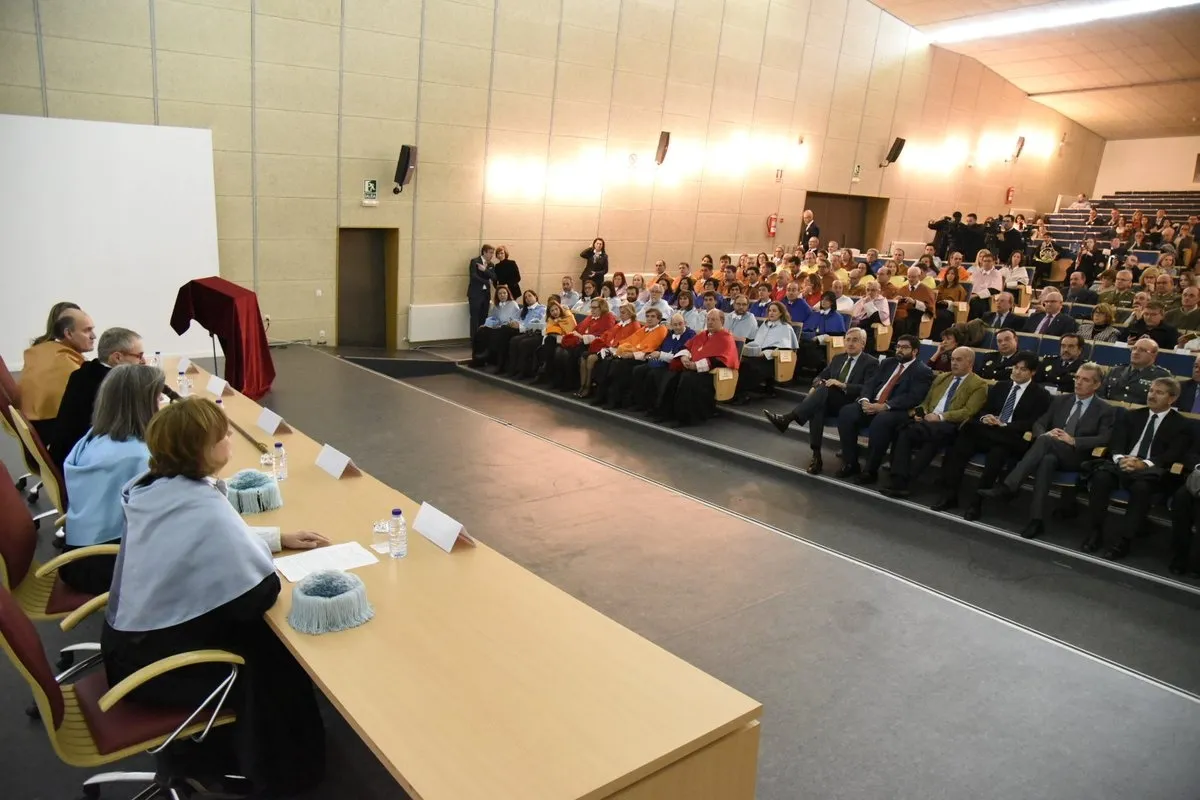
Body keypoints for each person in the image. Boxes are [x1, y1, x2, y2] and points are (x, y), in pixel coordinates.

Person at [101, 398, 329, 797]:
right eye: (222, 435)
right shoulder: (200, 504)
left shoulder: (156, 489)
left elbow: (206, 542)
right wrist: (263, 561)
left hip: (130, 646)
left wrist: (277, 538)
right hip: (158, 671)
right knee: (272, 656)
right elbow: (256, 595)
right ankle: (281, 776)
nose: (229, 439)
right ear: (198, 449)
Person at [978, 364, 1115, 539]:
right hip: (1051, 449)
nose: (1078, 383)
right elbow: (1039, 423)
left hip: (1077, 456)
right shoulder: (1060, 400)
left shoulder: (1105, 409)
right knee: (1046, 461)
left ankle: (1009, 485)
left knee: (1045, 442)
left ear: (1096, 385)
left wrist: (1073, 440)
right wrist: (1046, 434)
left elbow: (1105, 438)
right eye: (1077, 378)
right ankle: (1036, 520)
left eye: (1085, 380)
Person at [59, 364, 162, 595]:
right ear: (142, 405)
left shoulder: (94, 437)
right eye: (158, 398)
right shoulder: (136, 455)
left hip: (78, 550)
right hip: (100, 561)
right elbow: (159, 515)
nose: (161, 404)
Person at [1082, 378, 1191, 561]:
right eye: (1151, 390)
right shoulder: (1132, 416)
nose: (1152, 395)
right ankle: (1096, 531)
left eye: (1159, 392)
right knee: (1101, 478)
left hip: (1150, 471)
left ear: (1172, 399)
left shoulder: (1181, 425)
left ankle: (1125, 540)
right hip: (1122, 465)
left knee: (1141, 489)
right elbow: (1117, 442)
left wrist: (1144, 464)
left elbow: (1173, 454)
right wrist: (1120, 459)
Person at [931, 352, 1051, 517]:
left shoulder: (1041, 395)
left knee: (998, 453)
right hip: (989, 431)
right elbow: (983, 409)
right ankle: (950, 495)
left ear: (1032, 372)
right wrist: (986, 417)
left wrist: (1004, 424)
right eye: (1015, 367)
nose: (1017, 372)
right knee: (963, 440)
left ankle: (976, 503)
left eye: (1022, 370)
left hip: (1011, 436)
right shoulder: (1001, 386)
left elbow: (1033, 422)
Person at [764, 327, 878, 474]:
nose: (850, 343)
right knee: (818, 406)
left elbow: (868, 388)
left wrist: (842, 385)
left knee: (821, 395)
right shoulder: (838, 358)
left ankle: (788, 418)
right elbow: (819, 377)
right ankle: (816, 456)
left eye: (855, 340)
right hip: (830, 399)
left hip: (852, 402)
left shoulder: (871, 362)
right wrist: (817, 384)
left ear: (863, 343)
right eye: (848, 340)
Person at [880, 346, 988, 498]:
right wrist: (921, 412)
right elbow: (926, 401)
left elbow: (968, 411)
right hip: (928, 422)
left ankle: (903, 482)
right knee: (904, 431)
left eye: (959, 360)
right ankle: (900, 479)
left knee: (929, 436)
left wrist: (940, 417)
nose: (954, 363)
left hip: (951, 425)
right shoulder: (942, 378)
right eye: (952, 359)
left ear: (970, 362)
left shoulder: (979, 385)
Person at [835, 335, 933, 484]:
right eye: (898, 346)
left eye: (904, 347)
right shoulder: (888, 363)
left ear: (915, 351)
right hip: (872, 403)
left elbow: (914, 397)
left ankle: (870, 470)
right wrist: (865, 400)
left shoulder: (922, 370)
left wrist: (885, 406)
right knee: (846, 412)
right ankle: (851, 463)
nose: (899, 350)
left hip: (896, 410)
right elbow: (870, 383)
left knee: (881, 421)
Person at [53, 326, 145, 468]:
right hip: (84, 464)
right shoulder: (114, 387)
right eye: (139, 355)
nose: (143, 361)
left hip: (64, 452)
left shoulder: (83, 372)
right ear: (117, 357)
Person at [19, 307, 96, 446]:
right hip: (60, 443)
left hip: (42, 436)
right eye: (87, 330)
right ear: (68, 333)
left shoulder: (41, 352)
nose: (93, 336)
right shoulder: (65, 365)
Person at [657, 309, 741, 427]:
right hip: (692, 369)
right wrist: (684, 357)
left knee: (687, 379)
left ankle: (686, 418)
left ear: (721, 321)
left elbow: (721, 360)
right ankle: (667, 413)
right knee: (672, 375)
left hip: (710, 374)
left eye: (713, 320)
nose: (710, 322)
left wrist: (696, 366)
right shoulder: (703, 334)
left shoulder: (726, 338)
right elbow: (687, 347)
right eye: (708, 319)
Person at [590, 308, 668, 408]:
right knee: (607, 362)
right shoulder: (644, 329)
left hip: (643, 358)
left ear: (658, 319)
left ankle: (614, 400)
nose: (649, 319)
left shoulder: (660, 330)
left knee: (619, 365)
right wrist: (621, 351)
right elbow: (628, 342)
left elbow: (650, 349)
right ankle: (601, 395)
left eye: (653, 317)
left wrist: (631, 354)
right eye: (647, 316)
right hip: (631, 355)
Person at [630, 313, 695, 414]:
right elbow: (661, 347)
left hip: (676, 365)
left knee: (654, 374)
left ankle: (658, 409)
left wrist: (660, 355)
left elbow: (680, 355)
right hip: (662, 362)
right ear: (671, 325)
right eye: (675, 324)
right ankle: (641, 403)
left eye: (680, 324)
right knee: (638, 370)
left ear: (685, 323)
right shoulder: (669, 334)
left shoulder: (690, 335)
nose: (677, 327)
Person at [734, 302, 799, 402]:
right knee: (741, 364)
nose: (771, 313)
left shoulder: (786, 327)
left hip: (772, 360)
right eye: (769, 311)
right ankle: (736, 393)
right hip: (758, 354)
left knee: (749, 368)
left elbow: (785, 349)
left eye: (774, 311)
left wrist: (766, 353)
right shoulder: (765, 325)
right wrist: (746, 347)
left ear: (781, 313)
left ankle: (741, 395)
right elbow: (757, 341)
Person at [578, 302, 641, 399]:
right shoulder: (620, 324)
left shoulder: (635, 325)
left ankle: (588, 387)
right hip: (608, 348)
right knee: (584, 356)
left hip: (618, 351)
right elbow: (607, 334)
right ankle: (583, 386)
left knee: (591, 358)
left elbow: (632, 341)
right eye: (620, 312)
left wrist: (613, 347)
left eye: (623, 313)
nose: (621, 315)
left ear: (630, 313)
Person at [550, 298, 614, 391]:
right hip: (580, 341)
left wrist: (582, 336)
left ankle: (571, 383)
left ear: (602, 308)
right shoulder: (590, 317)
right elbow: (578, 328)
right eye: (591, 307)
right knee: (559, 351)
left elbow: (604, 335)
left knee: (570, 354)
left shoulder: (607, 318)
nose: (592, 310)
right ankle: (559, 380)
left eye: (595, 308)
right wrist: (576, 335)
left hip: (592, 345)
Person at [1101, 338, 1170, 404]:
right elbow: (1100, 394)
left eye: (1142, 350)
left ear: (1153, 355)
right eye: (1134, 348)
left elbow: (1161, 403)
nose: (1135, 352)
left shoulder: (1162, 376)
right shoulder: (1116, 370)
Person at [492, 291, 546, 375]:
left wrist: (520, 326)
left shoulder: (542, 309)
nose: (527, 298)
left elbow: (536, 323)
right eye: (525, 297)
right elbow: (513, 318)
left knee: (514, 340)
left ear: (535, 297)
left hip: (530, 331)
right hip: (519, 329)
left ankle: (515, 369)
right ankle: (502, 365)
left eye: (530, 296)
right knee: (504, 329)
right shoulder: (524, 310)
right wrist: (513, 322)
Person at [518, 300, 574, 380]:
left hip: (567, 340)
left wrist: (558, 325)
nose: (555, 312)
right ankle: (545, 374)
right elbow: (548, 331)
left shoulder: (568, 317)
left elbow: (570, 330)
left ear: (560, 308)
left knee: (549, 344)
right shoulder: (550, 320)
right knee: (546, 343)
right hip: (552, 341)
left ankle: (543, 373)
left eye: (556, 309)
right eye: (552, 311)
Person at [470, 285, 520, 367]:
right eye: (500, 294)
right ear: (497, 295)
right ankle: (478, 358)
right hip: (497, 326)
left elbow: (517, 317)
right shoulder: (496, 306)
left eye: (504, 293)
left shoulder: (513, 304)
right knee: (481, 332)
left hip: (507, 328)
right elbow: (492, 318)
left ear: (508, 294)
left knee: (496, 334)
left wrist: (505, 324)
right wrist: (486, 325)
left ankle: (489, 352)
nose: (502, 295)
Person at [892, 267, 935, 340]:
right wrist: (895, 300)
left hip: (917, 313)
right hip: (901, 312)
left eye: (913, 277)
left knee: (903, 322)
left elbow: (929, 308)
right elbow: (893, 303)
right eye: (909, 277)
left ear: (919, 276)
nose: (911, 279)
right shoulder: (902, 289)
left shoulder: (926, 290)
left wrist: (915, 302)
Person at [467, 244, 497, 333]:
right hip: (475, 294)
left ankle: (482, 339)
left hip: (486, 295)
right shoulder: (475, 261)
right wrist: (486, 281)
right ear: (484, 252)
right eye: (490, 253)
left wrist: (485, 270)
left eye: (493, 253)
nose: (492, 255)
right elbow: (473, 276)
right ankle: (474, 341)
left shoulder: (491, 264)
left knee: (484, 317)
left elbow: (494, 277)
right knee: (474, 318)